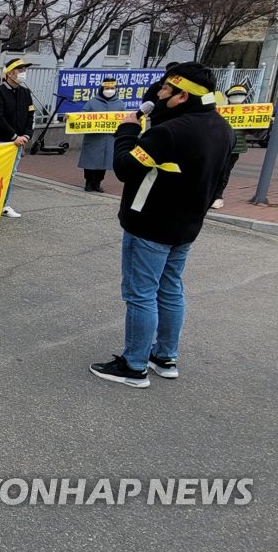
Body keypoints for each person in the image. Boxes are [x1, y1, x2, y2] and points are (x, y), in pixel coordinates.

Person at [90, 62, 234, 388]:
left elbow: (125, 167)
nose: (160, 94)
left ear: (183, 95)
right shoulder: (223, 128)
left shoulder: (168, 133)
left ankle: (134, 365)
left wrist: (126, 129)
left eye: (167, 90)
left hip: (150, 225)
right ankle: (164, 356)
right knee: (170, 290)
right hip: (186, 227)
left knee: (140, 293)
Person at [0, 58, 35, 218]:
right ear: (9, 73)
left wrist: (26, 135)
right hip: (1, 140)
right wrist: (13, 136)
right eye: (19, 70)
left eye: (24, 70)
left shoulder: (25, 92)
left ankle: (3, 205)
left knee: (11, 173)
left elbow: (30, 115)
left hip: (19, 141)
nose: (23, 74)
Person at [77, 76, 121, 192]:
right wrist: (71, 118)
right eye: (107, 88)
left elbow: (124, 118)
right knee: (90, 161)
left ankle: (97, 183)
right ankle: (88, 182)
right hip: (94, 138)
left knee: (104, 163)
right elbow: (82, 115)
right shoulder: (92, 102)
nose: (109, 90)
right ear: (102, 88)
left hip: (109, 138)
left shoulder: (119, 104)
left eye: (112, 88)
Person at [211, 84, 250, 209]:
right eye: (234, 95)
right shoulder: (221, 110)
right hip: (218, 145)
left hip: (235, 148)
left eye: (240, 95)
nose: (237, 97)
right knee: (212, 170)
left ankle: (217, 196)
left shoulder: (249, 111)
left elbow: (253, 131)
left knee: (224, 172)